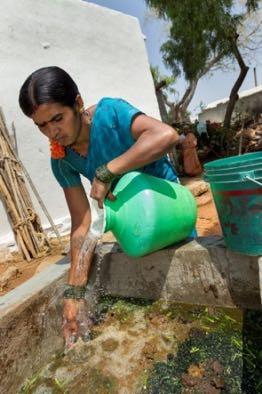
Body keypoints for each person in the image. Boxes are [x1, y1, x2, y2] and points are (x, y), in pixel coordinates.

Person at [19, 66, 180, 347]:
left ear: (78, 104)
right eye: (41, 125)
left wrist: (107, 171)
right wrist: (74, 292)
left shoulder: (111, 114)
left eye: (57, 118)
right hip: (134, 221)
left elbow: (166, 136)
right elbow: (82, 224)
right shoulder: (62, 160)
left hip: (169, 207)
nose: (52, 132)